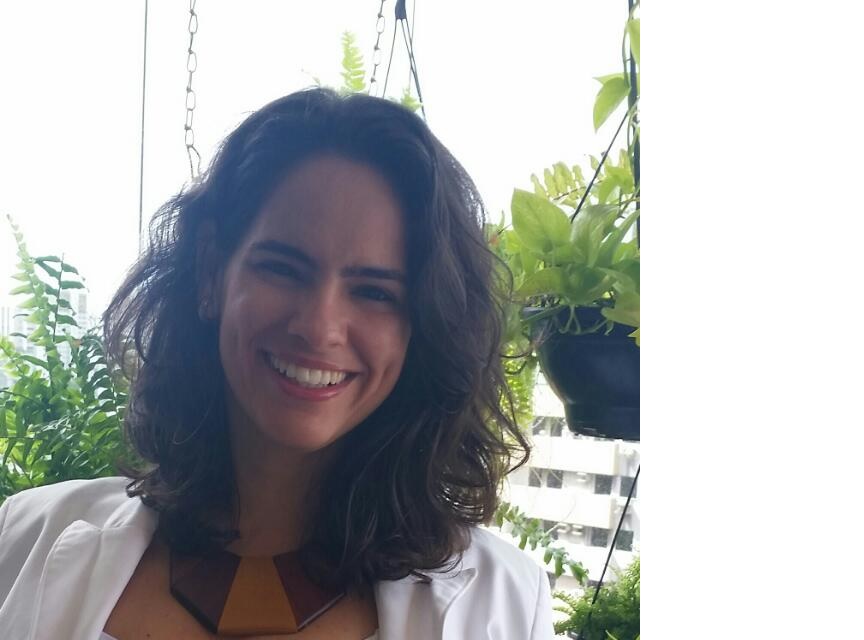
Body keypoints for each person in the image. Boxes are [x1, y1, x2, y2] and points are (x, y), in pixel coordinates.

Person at [0, 88, 554, 639]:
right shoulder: (24, 541)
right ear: (212, 272)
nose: (319, 326)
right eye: (283, 269)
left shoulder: (504, 605)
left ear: (424, 325)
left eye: (375, 292)